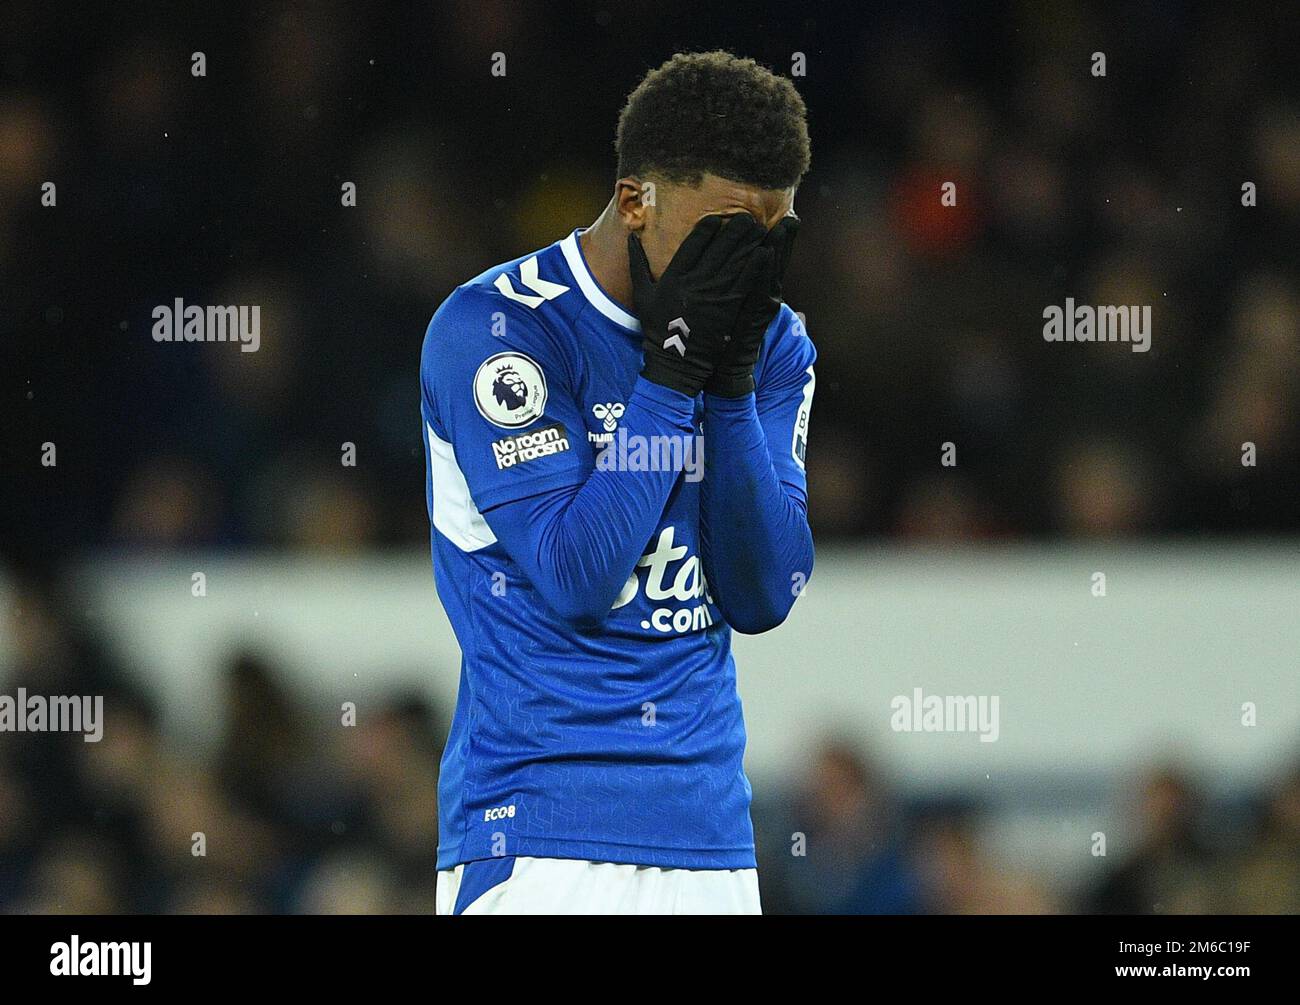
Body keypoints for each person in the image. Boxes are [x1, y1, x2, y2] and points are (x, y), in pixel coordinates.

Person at [419, 51, 815, 914]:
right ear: (636, 199)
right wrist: (671, 379)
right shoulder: (498, 327)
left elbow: (762, 592)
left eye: (766, 240)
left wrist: (731, 383)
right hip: (537, 833)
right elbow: (575, 571)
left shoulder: (774, 344)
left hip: (709, 839)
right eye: (720, 238)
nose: (741, 273)